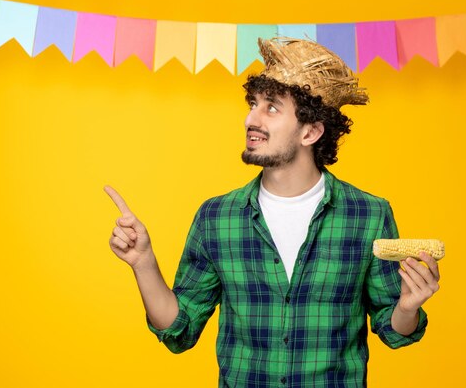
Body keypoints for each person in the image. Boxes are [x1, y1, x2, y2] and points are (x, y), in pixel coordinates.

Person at [104, 37, 441, 388]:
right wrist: (143, 263)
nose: (251, 118)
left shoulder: (368, 215)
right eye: (253, 104)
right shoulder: (217, 218)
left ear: (310, 132)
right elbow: (180, 329)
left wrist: (407, 308)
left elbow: (394, 331)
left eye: (272, 108)